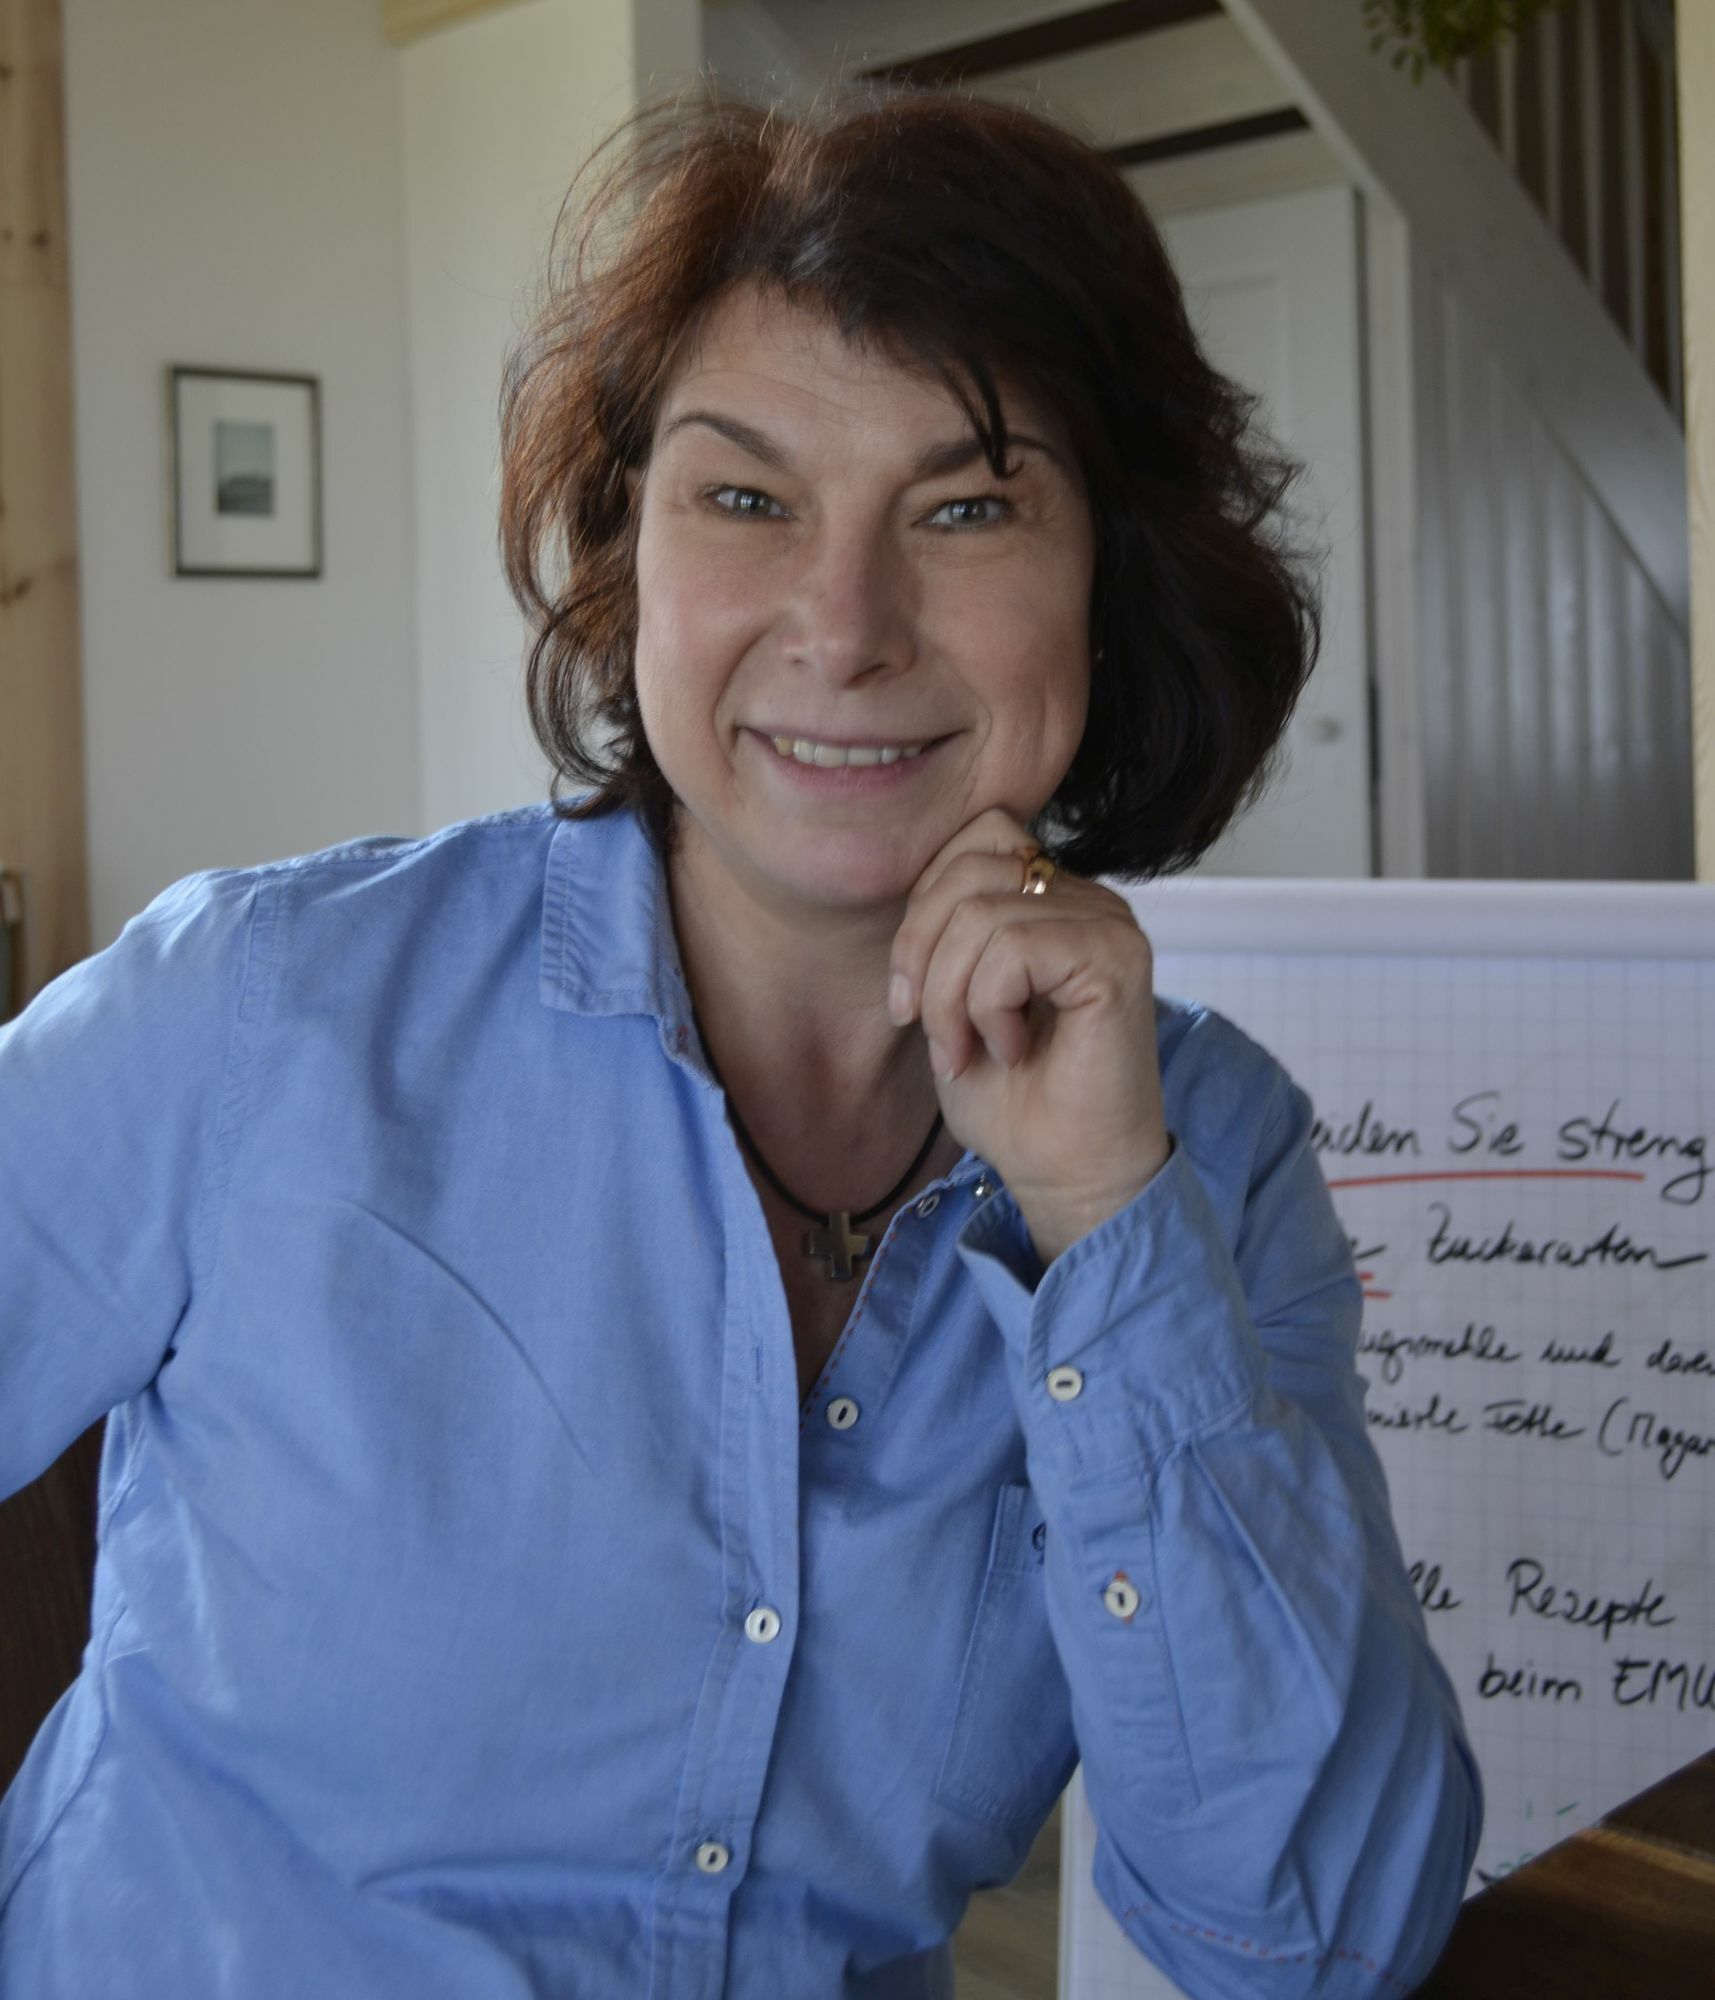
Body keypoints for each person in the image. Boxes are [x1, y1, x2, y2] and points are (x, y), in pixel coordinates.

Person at [0, 82, 1480, 1999]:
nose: (844, 626)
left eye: (966, 507)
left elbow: (1321, 1944)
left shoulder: (1204, 1152)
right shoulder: (265, 1005)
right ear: (632, 551)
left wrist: (1107, 1222)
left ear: (1115, 579)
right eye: (747, 498)